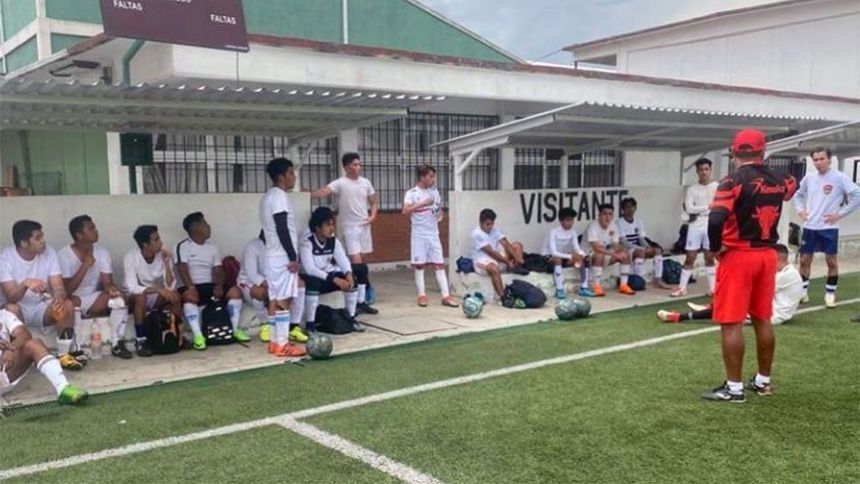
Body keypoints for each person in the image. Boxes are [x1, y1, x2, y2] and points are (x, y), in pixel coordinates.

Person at [701, 128, 796, 403]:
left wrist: (715, 246)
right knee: (762, 318)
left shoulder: (731, 182)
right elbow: (793, 186)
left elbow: (716, 219)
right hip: (767, 256)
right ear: (763, 151)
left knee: (731, 321)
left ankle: (734, 389)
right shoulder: (781, 178)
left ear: (733, 152)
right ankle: (763, 382)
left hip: (738, 256)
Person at [0, 220, 80, 370]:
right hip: (19, 309)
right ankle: (17, 358)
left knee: (67, 305)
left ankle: (64, 355)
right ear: (24, 243)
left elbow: (58, 286)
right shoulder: (5, 258)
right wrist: (25, 284)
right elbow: (11, 296)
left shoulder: (50, 253)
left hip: (41, 307)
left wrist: (58, 298)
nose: (43, 241)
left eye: (42, 236)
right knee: (11, 308)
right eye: (38, 238)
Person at [658, 244, 803, 325]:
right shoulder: (787, 272)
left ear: (777, 259)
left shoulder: (787, 275)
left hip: (772, 316)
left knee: (728, 310)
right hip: (770, 310)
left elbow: (754, 289)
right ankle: (709, 307)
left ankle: (679, 317)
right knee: (731, 302)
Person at [310, 152, 379, 315]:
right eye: (355, 164)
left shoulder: (366, 182)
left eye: (359, 164)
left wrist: (373, 216)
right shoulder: (341, 183)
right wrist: (305, 193)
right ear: (347, 167)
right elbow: (324, 192)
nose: (358, 167)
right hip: (350, 227)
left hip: (364, 226)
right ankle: (357, 300)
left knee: (362, 264)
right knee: (356, 262)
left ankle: (362, 298)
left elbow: (374, 202)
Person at [793, 146, 860, 308]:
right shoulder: (809, 177)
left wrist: (840, 214)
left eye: (822, 159)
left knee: (831, 261)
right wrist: (800, 210)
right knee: (804, 259)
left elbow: (857, 195)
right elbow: (798, 195)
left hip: (829, 227)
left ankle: (830, 293)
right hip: (810, 226)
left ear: (829, 159)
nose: (818, 162)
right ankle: (803, 292)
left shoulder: (839, 177)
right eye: (815, 159)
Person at [59, 215, 131, 359]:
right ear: (79, 235)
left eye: (94, 227)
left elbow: (107, 283)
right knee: (67, 304)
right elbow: (66, 291)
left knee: (119, 298)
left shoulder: (102, 252)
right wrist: (85, 266)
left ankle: (117, 342)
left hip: (93, 298)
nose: (96, 231)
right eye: (91, 229)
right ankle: (75, 347)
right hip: (73, 299)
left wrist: (111, 289)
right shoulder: (64, 254)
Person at [175, 212, 249, 349]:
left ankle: (233, 330)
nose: (209, 227)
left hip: (210, 286)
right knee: (189, 296)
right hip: (192, 285)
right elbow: (182, 268)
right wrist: (191, 287)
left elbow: (218, 270)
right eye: (205, 224)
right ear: (195, 227)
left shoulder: (212, 248)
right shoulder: (183, 246)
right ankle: (198, 336)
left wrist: (219, 285)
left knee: (235, 292)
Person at [259, 157, 307, 357]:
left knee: (275, 297)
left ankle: (274, 342)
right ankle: (282, 343)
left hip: (272, 255)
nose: (294, 177)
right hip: (281, 256)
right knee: (283, 299)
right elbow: (281, 227)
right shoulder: (279, 196)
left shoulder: (268, 196)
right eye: (290, 173)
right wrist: (292, 256)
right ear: (280, 177)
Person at [0, 308, 88, 404]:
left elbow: (24, 334)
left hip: (4, 373)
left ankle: (63, 388)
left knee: (34, 344)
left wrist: (11, 348)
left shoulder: (4, 315)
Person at [300, 207, 364, 333]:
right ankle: (310, 325)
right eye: (328, 225)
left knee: (353, 280)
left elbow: (343, 260)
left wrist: (348, 274)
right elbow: (310, 269)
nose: (332, 228)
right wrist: (334, 279)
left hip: (329, 277)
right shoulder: (306, 242)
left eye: (332, 224)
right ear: (318, 228)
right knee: (313, 282)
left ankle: (350, 318)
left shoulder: (333, 241)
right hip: (312, 278)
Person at [402, 164, 458, 308]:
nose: (434, 179)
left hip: (433, 234)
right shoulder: (412, 193)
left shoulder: (435, 192)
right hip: (419, 235)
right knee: (419, 266)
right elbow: (405, 211)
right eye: (431, 176)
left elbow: (438, 209)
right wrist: (422, 204)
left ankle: (446, 296)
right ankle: (422, 295)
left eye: (434, 176)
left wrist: (440, 214)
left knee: (439, 264)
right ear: (422, 177)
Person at [123, 225, 183, 357]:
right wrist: (158, 289)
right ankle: (141, 340)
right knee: (140, 297)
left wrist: (167, 263)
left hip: (154, 296)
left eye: (159, 238)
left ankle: (177, 335)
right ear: (145, 244)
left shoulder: (162, 256)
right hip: (135, 299)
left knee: (175, 296)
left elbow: (170, 286)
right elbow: (132, 287)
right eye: (156, 240)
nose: (160, 242)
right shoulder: (131, 257)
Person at [671, 158, 719, 297]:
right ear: (697, 171)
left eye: (706, 169)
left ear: (710, 170)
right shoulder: (692, 189)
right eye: (701, 170)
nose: (704, 172)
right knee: (690, 257)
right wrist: (708, 207)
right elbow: (689, 208)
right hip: (695, 225)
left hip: (711, 223)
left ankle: (713, 289)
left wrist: (705, 209)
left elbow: (718, 206)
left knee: (709, 257)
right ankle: (682, 288)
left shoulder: (717, 187)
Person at [470, 209, 527, 299]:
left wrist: (517, 258)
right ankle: (502, 296)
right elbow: (491, 253)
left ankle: (516, 267)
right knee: (494, 268)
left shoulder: (494, 229)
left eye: (492, 224)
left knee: (517, 245)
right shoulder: (476, 234)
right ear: (481, 222)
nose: (490, 227)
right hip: (483, 261)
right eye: (487, 224)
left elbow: (505, 243)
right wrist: (507, 261)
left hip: (498, 259)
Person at [584, 204, 636, 296]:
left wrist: (615, 249)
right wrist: (614, 254)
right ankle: (596, 286)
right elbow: (596, 247)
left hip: (605, 253)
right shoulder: (592, 226)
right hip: (588, 255)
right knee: (599, 255)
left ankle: (623, 285)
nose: (607, 217)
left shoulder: (613, 226)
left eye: (610, 214)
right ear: (599, 215)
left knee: (625, 255)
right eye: (605, 214)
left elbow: (616, 244)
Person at [617, 197, 668, 288]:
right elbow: (624, 242)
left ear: (635, 208)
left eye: (632, 206)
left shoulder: (638, 221)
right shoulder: (619, 222)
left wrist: (648, 247)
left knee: (657, 251)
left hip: (638, 248)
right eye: (627, 207)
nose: (630, 209)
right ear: (623, 209)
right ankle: (639, 281)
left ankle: (658, 280)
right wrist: (641, 248)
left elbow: (641, 238)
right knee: (641, 252)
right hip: (627, 249)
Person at [541, 207, 587, 299]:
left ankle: (584, 287)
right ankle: (560, 289)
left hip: (564, 257)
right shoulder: (553, 232)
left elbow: (577, 248)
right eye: (567, 220)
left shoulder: (573, 232)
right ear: (561, 221)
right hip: (548, 258)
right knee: (558, 259)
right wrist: (570, 256)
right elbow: (554, 252)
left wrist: (583, 255)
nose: (570, 223)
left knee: (581, 259)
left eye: (572, 220)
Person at [238, 230, 271, 343]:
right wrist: (269, 286)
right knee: (259, 293)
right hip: (248, 282)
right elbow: (252, 274)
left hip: (270, 283)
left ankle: (293, 326)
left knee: (297, 287)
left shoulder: (279, 247)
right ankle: (265, 324)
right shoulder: (252, 247)